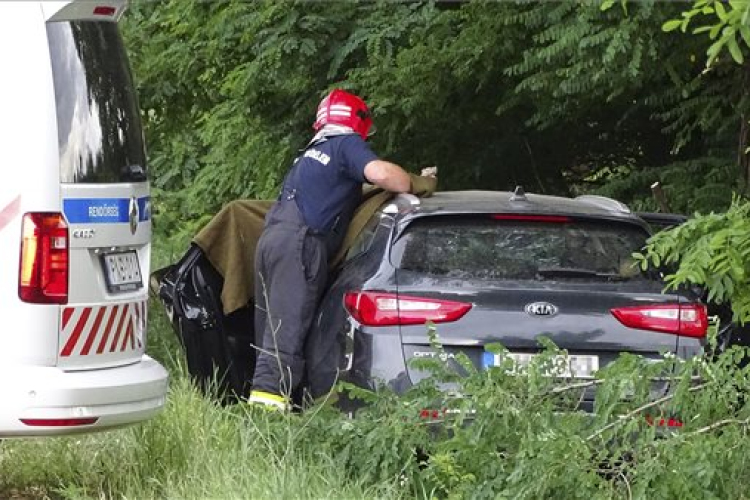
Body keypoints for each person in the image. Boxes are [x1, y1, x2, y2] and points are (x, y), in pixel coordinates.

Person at [249, 89, 414, 410]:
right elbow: (383, 175)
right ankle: (266, 422)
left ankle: (265, 411)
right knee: (285, 338)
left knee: (270, 335)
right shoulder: (345, 143)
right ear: (358, 122)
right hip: (299, 245)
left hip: (271, 242)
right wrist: (412, 179)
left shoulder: (310, 153)